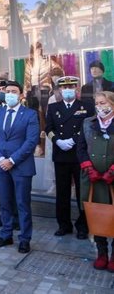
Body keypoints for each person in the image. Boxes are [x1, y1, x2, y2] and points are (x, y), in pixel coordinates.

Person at [0, 80, 40, 254]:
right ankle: (6, 234)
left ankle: (25, 238)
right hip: (1, 165)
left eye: (14, 91)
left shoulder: (30, 114)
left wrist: (12, 160)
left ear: (21, 95)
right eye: (7, 91)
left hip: (21, 166)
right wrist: (0, 158)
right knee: (5, 202)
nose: (10, 94)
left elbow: (31, 141)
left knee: (22, 204)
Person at [45, 76, 94, 239]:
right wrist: (57, 140)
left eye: (71, 87)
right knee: (62, 192)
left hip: (79, 155)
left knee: (82, 193)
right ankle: (64, 224)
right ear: (59, 90)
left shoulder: (86, 106)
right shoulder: (53, 107)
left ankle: (83, 226)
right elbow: (48, 128)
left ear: (76, 89)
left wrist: (74, 140)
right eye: (64, 88)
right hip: (61, 155)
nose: (67, 90)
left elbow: (89, 127)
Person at [77, 90, 114, 271]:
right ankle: (101, 253)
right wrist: (88, 168)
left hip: (112, 179)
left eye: (104, 103)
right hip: (93, 179)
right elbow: (81, 148)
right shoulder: (88, 123)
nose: (100, 107)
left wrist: (112, 171)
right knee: (98, 216)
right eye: (97, 103)